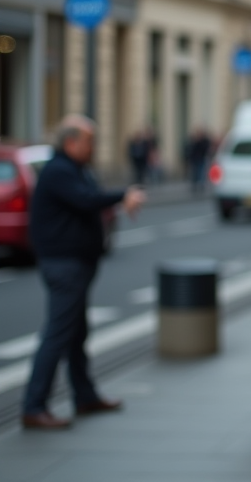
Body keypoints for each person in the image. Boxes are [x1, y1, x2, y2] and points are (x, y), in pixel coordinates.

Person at [22, 115, 147, 430]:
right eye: (89, 141)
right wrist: (123, 195)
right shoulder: (59, 171)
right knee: (58, 334)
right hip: (65, 265)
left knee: (76, 334)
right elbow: (87, 200)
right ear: (70, 142)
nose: (94, 147)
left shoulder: (73, 169)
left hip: (74, 263)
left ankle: (85, 395)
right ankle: (34, 405)